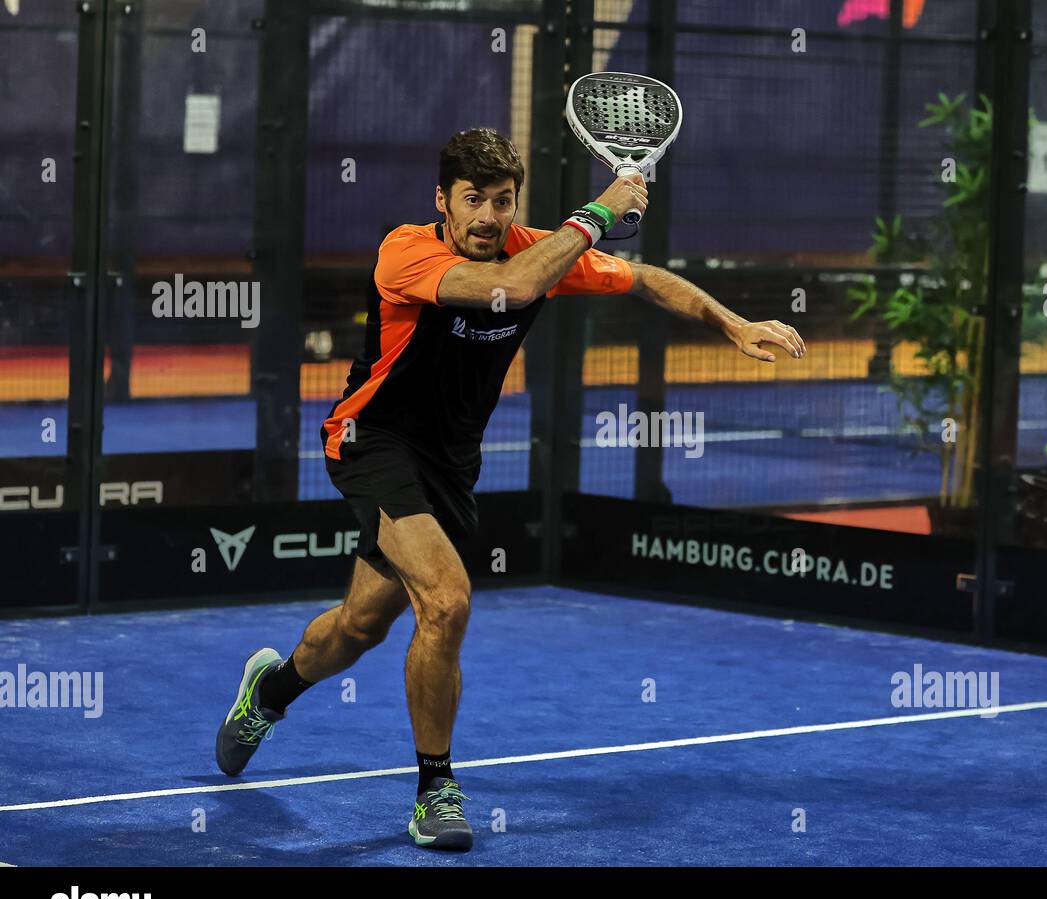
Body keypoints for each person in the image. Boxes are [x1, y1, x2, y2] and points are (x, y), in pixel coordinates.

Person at [214, 127, 806, 850]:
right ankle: (436, 789)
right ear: (443, 201)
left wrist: (731, 322)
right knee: (447, 597)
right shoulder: (407, 251)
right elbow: (511, 290)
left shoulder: (534, 247)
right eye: (473, 200)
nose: (489, 217)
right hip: (374, 442)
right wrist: (595, 215)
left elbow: (644, 278)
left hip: (451, 465)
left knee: (360, 627)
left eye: (502, 200)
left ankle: (267, 693)